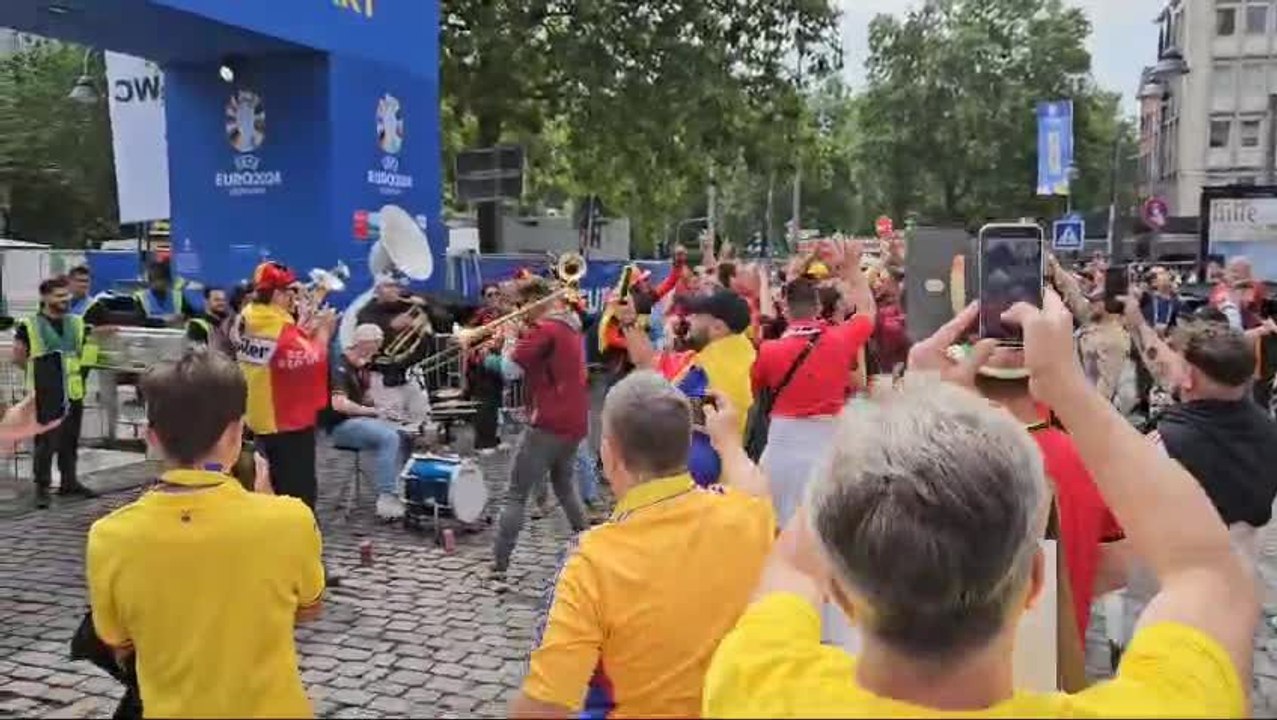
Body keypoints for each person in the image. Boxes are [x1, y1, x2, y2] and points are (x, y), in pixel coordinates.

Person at [703, 289, 1255, 717]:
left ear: (840, 594)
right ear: (1034, 582)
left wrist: (909, 400)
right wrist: (1066, 387)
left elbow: (793, 565)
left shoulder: (757, 687)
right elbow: (1206, 573)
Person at [511, 372, 774, 718]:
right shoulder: (746, 516)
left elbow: (543, 708)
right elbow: (754, 487)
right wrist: (728, 442)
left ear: (610, 453)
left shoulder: (591, 562)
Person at [86, 349, 324, 718]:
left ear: (152, 438)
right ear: (236, 431)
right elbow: (308, 607)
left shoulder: (109, 535)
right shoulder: (290, 519)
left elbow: (117, 641)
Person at [482, 277, 589, 591]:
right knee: (564, 486)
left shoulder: (546, 330)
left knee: (516, 493)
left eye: (520, 306)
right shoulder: (570, 325)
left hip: (548, 420)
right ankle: (590, 547)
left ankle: (498, 569)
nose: (518, 312)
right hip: (575, 418)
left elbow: (510, 370)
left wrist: (511, 338)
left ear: (533, 302)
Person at [615, 289, 756, 486]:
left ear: (717, 327)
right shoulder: (744, 355)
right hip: (729, 486)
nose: (689, 319)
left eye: (697, 315)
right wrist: (629, 322)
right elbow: (650, 363)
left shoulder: (705, 371)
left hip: (698, 488)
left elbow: (648, 366)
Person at [237, 261, 333, 511]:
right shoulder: (279, 328)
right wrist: (324, 332)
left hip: (258, 415)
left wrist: (301, 330)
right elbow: (312, 359)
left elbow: (277, 354)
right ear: (278, 294)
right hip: (285, 420)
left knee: (267, 483)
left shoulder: (249, 316)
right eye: (291, 291)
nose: (295, 296)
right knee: (297, 494)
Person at [13, 277, 97, 507]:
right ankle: (42, 487)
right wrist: (40, 377)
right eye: (59, 296)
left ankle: (69, 482)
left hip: (73, 392)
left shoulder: (77, 322)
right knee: (45, 442)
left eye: (66, 295)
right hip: (46, 394)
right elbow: (18, 356)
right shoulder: (30, 325)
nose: (65, 299)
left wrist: (81, 372)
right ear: (45, 298)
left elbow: (86, 351)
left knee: (69, 440)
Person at [319, 324, 408, 520]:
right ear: (366, 344)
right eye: (376, 346)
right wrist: (374, 412)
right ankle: (387, 497)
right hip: (340, 426)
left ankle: (400, 486)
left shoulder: (362, 368)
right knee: (388, 437)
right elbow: (340, 404)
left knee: (403, 433)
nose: (377, 351)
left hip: (357, 421)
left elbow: (367, 401)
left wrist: (386, 411)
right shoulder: (339, 366)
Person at [134, 260, 188, 326]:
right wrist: (163, 322)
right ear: (150, 281)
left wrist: (183, 318)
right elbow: (140, 321)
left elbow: (189, 316)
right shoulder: (141, 297)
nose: (159, 284)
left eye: (162, 280)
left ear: (168, 281)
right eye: (156, 281)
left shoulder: (178, 296)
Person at [186, 286, 234, 356]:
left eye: (223, 300)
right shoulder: (197, 324)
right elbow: (199, 353)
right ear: (206, 302)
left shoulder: (230, 321)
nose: (221, 303)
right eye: (217, 300)